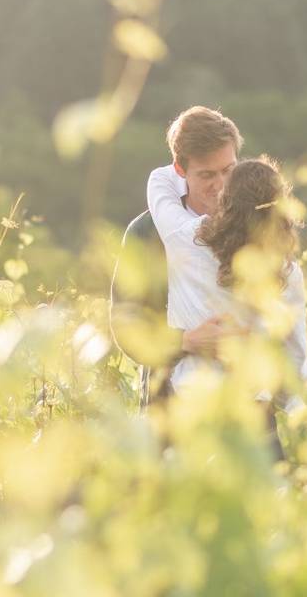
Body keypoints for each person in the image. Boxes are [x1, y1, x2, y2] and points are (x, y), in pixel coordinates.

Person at [147, 155, 307, 458]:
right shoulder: (287, 273)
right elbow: (295, 354)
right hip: (253, 413)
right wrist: (284, 400)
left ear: (225, 199)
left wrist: (194, 164)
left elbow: (158, 181)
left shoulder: (184, 239)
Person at [109, 106, 244, 409]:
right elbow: (125, 325)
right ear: (180, 170)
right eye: (207, 175)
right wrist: (185, 342)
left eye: (228, 170)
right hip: (168, 406)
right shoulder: (147, 233)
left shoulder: (253, 224)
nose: (221, 185)